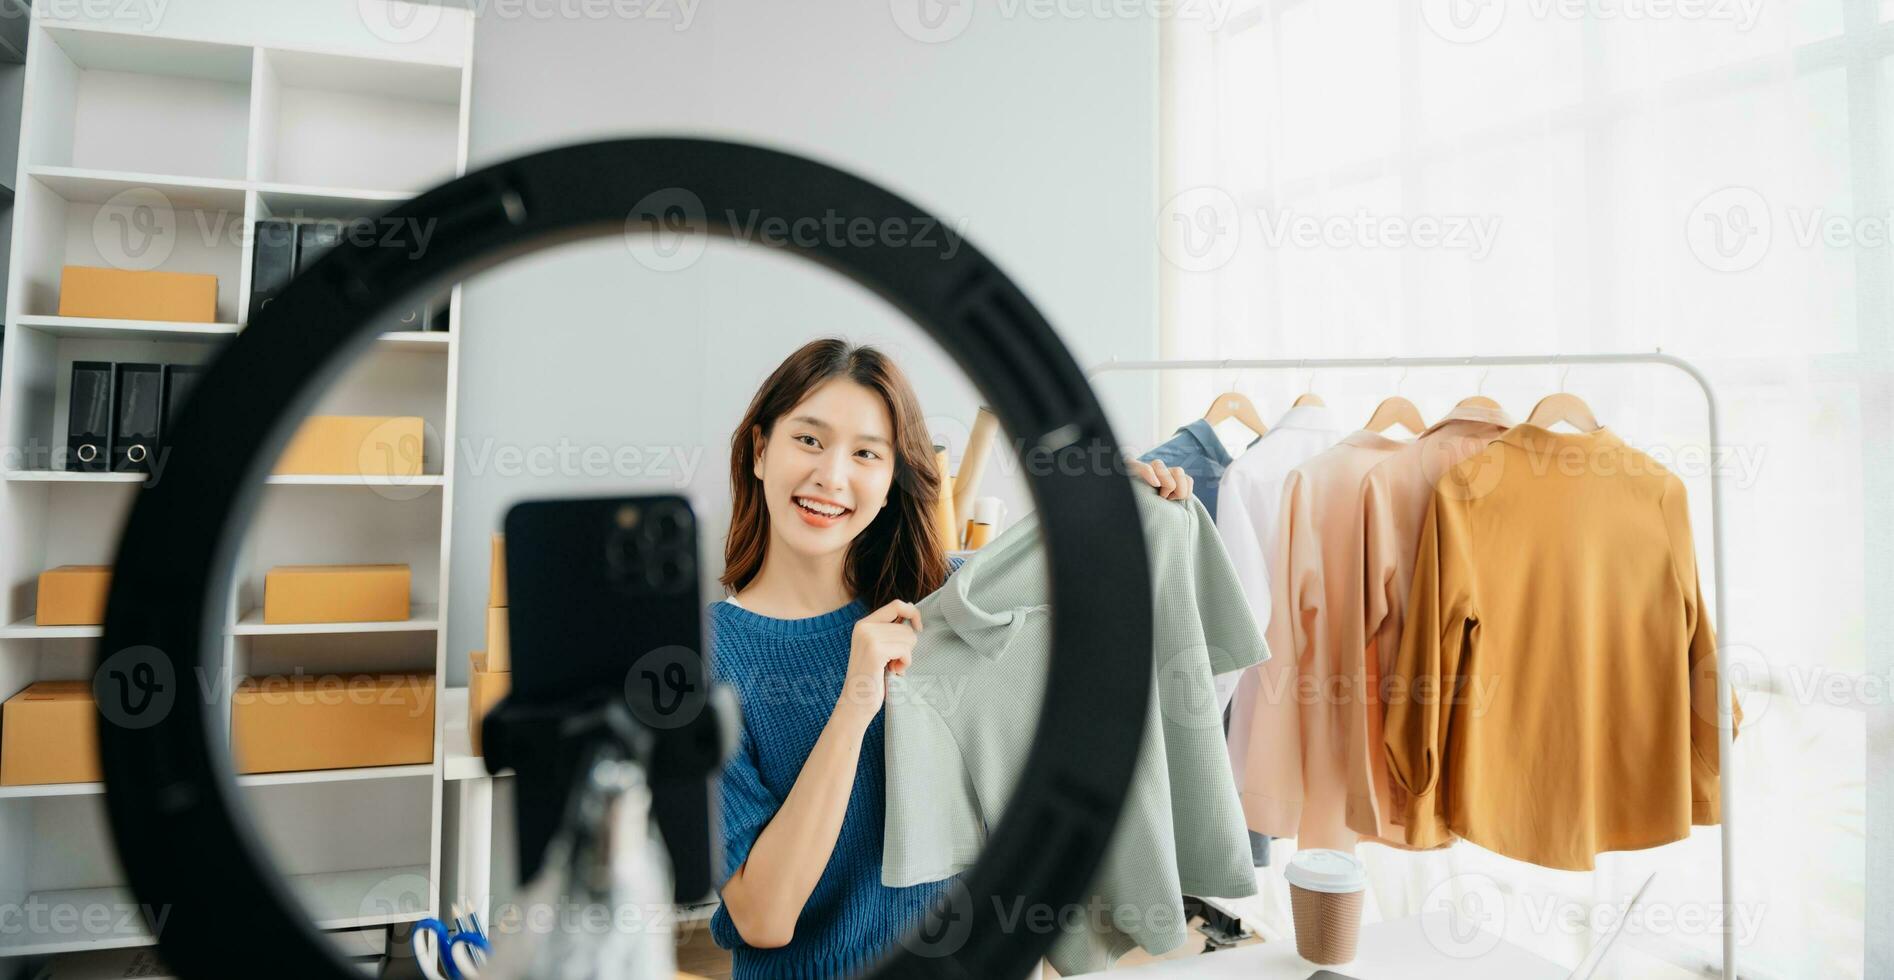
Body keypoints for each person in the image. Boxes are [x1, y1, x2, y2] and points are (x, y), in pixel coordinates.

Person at [707, 338, 1193, 977]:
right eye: (809, 440)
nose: (832, 475)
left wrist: (1120, 509)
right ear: (760, 450)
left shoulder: (946, 601)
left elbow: (1111, 614)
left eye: (865, 454)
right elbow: (762, 919)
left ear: (889, 484)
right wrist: (854, 706)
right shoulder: (703, 662)